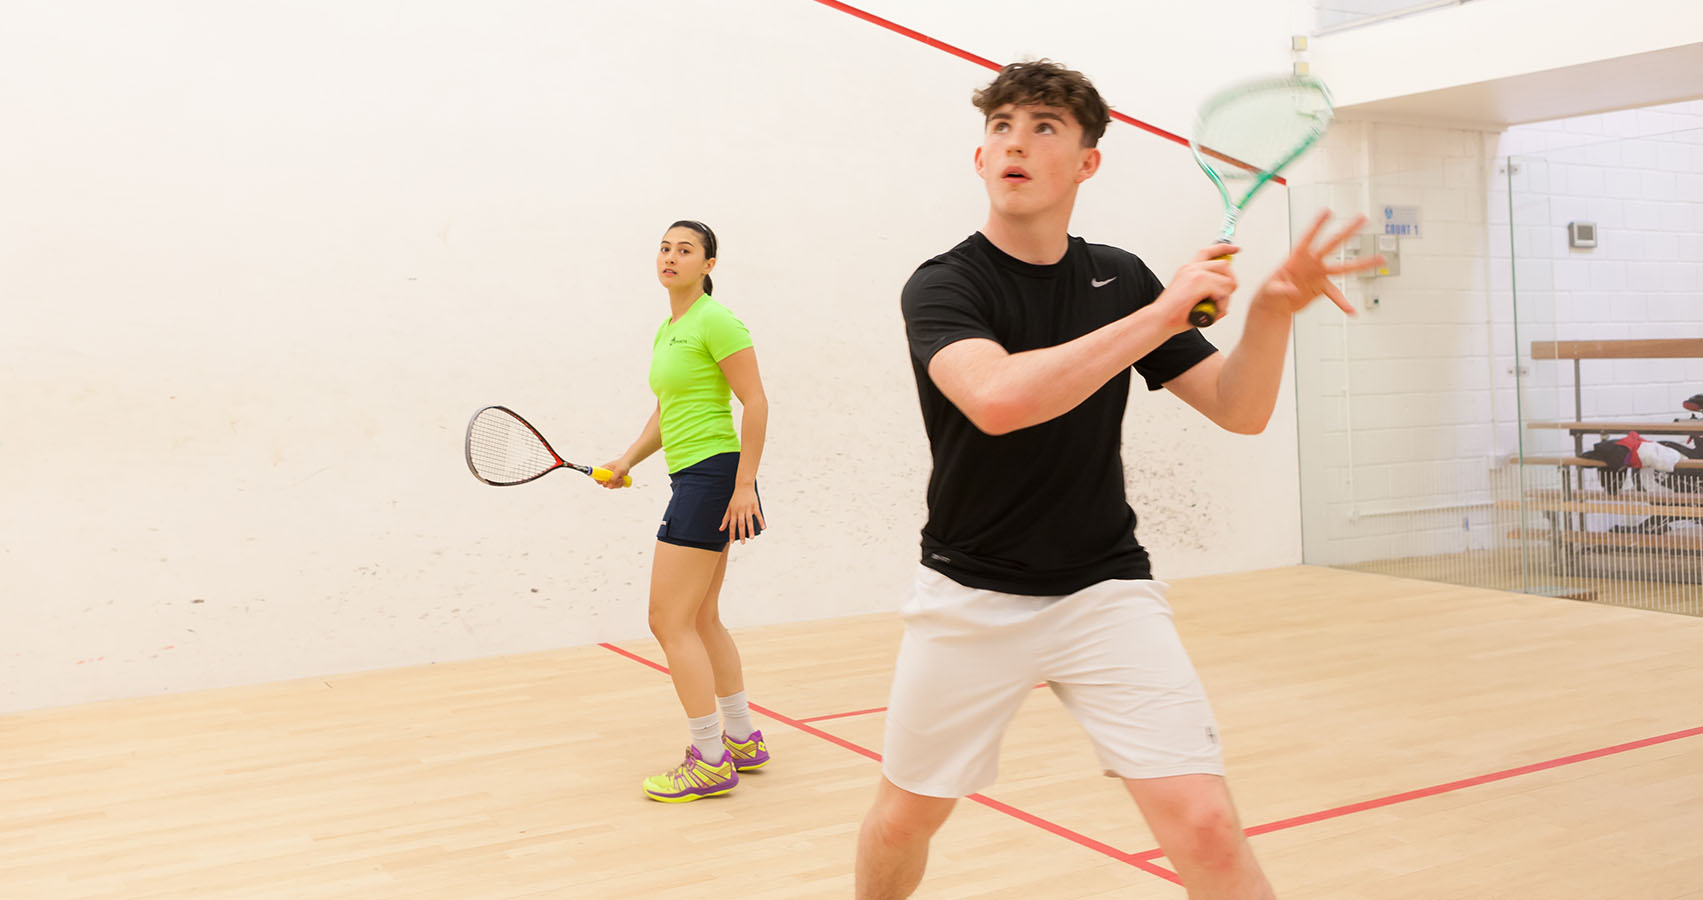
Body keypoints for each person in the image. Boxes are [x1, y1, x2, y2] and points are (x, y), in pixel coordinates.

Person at [854, 60, 1380, 897]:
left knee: (1205, 824)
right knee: (903, 819)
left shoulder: (1121, 277)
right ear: (980, 157)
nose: (1015, 143)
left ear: (1087, 162)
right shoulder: (945, 284)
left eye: (1044, 128)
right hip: (970, 595)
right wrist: (1163, 312)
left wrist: (1272, 313)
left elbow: (1237, 409)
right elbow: (995, 400)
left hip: (1104, 590)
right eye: (1001, 128)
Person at [601, 220, 771, 802]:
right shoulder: (669, 329)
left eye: (686, 250)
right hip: (697, 475)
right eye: (665, 247)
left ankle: (708, 758)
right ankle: (742, 739)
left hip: (713, 478)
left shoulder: (715, 320)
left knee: (666, 620)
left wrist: (745, 483)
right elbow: (668, 409)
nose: (671, 257)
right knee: (700, 618)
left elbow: (755, 400)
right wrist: (627, 459)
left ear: (709, 265)